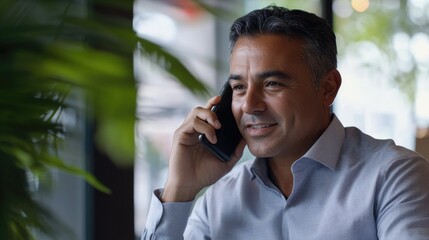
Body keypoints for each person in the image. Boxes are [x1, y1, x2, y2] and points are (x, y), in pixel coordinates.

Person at [142, 5, 429, 240]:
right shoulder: (218, 201)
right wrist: (179, 190)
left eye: (272, 83)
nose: (250, 105)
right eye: (239, 88)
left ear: (328, 87)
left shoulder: (393, 177)